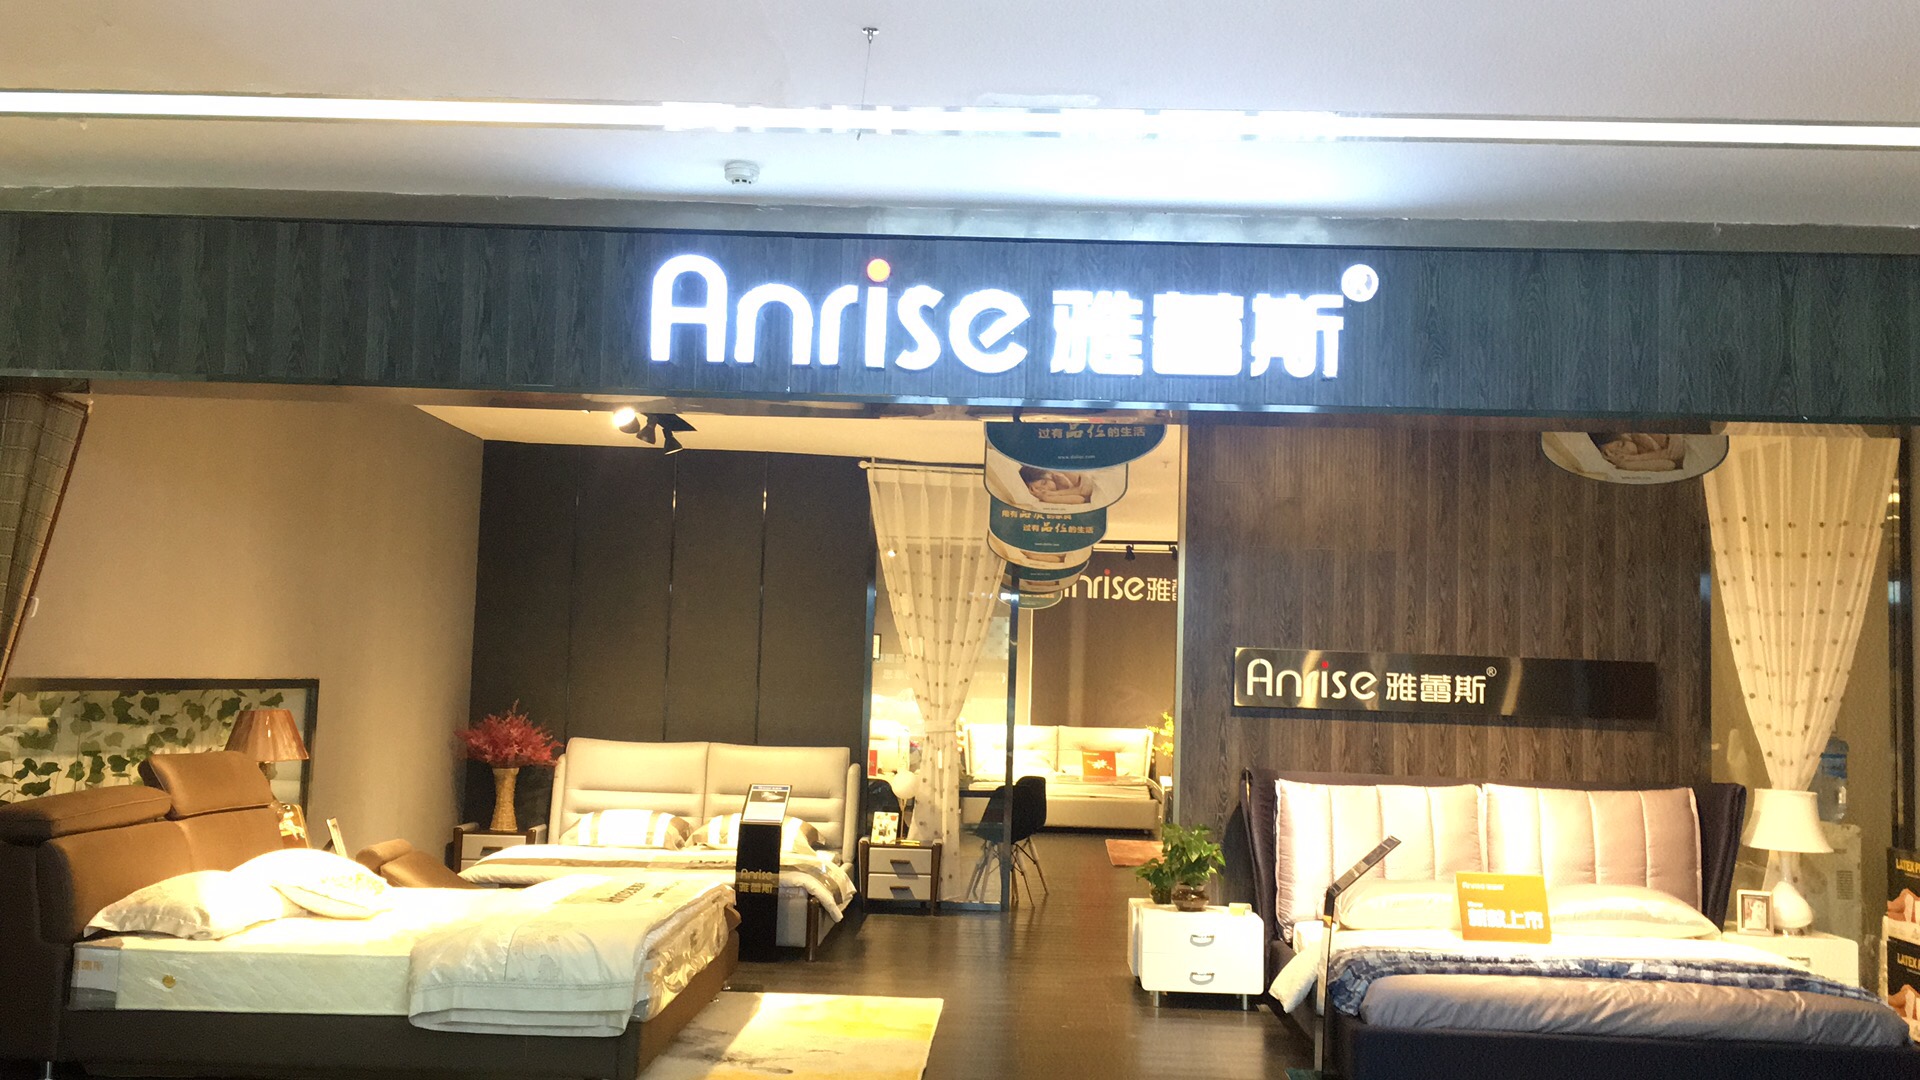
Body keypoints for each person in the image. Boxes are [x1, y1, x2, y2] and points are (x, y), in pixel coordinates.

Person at [1592, 432, 1688, 472]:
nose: (1623, 453)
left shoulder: (1639, 436)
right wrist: (1624, 464)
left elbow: (1674, 453)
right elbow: (1669, 465)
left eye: (1621, 445)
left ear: (1624, 436)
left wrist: (1632, 458)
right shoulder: (1632, 462)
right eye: (1616, 454)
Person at [1018, 465, 1095, 505]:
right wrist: (1046, 498)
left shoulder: (1062, 474)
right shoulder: (1046, 495)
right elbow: (1080, 499)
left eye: (1044, 483)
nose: (1047, 489)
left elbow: (1085, 490)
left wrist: (1054, 494)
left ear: (1048, 474)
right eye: (1040, 489)